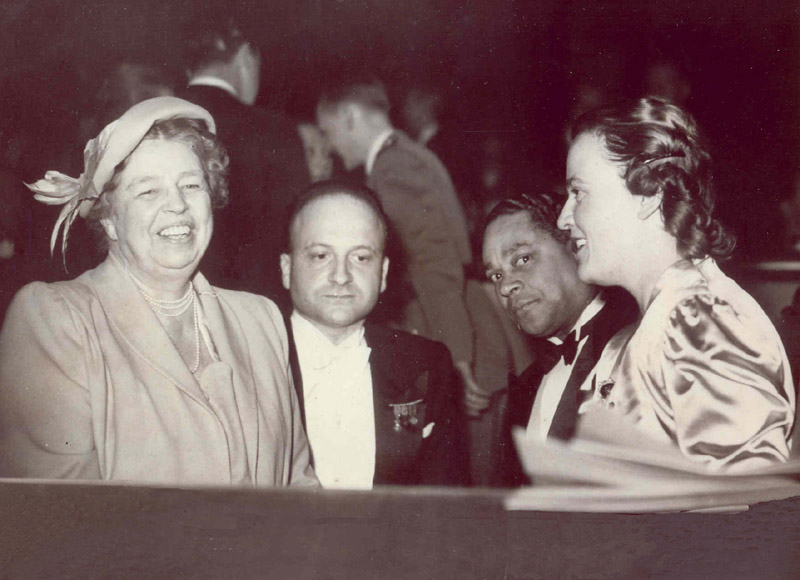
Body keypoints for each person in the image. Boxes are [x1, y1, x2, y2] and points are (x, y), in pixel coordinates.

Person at [0, 97, 317, 487]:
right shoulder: (58, 320)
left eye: (191, 185)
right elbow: (58, 511)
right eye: (149, 191)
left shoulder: (260, 320)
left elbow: (300, 491)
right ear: (109, 219)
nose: (178, 205)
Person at [558, 96, 796, 471]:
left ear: (649, 195)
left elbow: (747, 494)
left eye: (578, 193)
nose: (563, 218)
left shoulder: (700, 320)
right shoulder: (641, 331)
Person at [280, 180, 470, 488]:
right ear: (286, 269)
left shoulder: (426, 365)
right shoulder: (251, 357)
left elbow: (445, 502)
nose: (340, 276)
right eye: (320, 256)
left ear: (382, 274)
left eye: (361, 257)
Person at [315, 76, 484, 415]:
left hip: (456, 343)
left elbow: (435, 263)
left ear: (350, 117)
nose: (329, 146)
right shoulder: (402, 158)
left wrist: (458, 359)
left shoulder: (395, 167)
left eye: (328, 132)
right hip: (452, 330)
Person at [482, 194, 637, 486]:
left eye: (523, 259)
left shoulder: (639, 343)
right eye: (496, 275)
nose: (505, 286)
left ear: (574, 246)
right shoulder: (524, 387)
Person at [180, 20, 308, 301]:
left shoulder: (157, 121)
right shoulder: (275, 131)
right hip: (254, 305)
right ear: (246, 55)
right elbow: (296, 231)